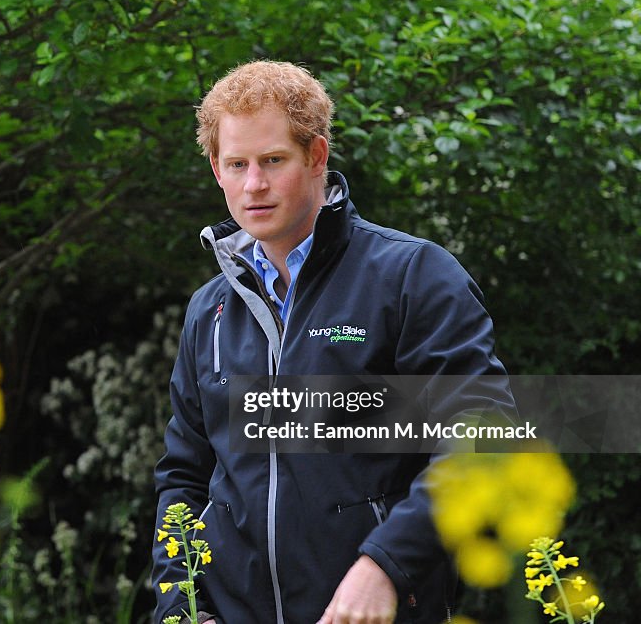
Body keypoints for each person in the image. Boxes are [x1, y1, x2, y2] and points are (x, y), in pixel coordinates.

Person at [152, 60, 512, 623]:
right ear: (216, 171)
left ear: (317, 156)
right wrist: (180, 608)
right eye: (236, 164)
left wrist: (386, 565)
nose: (254, 185)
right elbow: (184, 476)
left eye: (273, 161)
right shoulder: (209, 310)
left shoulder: (412, 276)